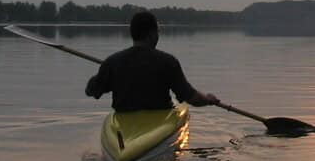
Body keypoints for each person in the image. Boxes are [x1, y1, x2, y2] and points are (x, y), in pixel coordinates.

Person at [86, 11, 219, 111]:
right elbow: (192, 98)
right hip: (159, 118)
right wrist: (208, 99)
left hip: (123, 122)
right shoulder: (168, 62)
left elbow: (90, 91)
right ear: (152, 34)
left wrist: (102, 74)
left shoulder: (112, 62)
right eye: (158, 31)